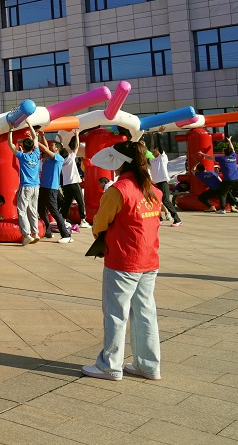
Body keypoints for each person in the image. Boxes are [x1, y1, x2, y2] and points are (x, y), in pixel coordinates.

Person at [82, 140, 162, 382]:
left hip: (123, 259)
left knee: (116, 314)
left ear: (120, 163)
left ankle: (110, 366)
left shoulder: (118, 190)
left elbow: (100, 223)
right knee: (145, 313)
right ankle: (148, 365)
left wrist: (99, 236)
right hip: (149, 259)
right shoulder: (153, 190)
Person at [7, 125, 42, 245]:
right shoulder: (36, 154)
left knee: (22, 210)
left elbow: (10, 144)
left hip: (26, 186)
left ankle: (26, 235)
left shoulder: (22, 156)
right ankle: (35, 233)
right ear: (33, 147)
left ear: (23, 146)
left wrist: (11, 130)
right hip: (36, 186)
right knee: (33, 210)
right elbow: (35, 138)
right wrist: (30, 124)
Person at [199, 136, 238, 213]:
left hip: (228, 179)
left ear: (225, 153)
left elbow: (210, 157)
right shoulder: (233, 156)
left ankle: (222, 209)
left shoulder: (222, 159)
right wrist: (229, 141)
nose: (222, 151)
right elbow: (232, 149)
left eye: (223, 151)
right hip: (237, 178)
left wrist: (202, 153)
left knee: (222, 194)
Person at [39, 137, 73, 243]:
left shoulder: (58, 158)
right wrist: (42, 136)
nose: (50, 146)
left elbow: (45, 149)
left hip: (51, 188)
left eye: (52, 145)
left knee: (54, 211)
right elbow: (46, 148)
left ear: (57, 149)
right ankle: (48, 231)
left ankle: (66, 235)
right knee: (41, 210)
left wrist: (36, 140)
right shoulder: (49, 157)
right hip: (44, 187)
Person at [148, 135, 182, 227]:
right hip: (155, 183)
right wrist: (151, 137)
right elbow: (151, 147)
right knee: (156, 201)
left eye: (155, 150)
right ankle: (159, 219)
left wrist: (159, 135)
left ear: (158, 151)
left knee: (166, 200)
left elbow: (161, 146)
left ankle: (177, 219)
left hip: (163, 182)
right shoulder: (152, 160)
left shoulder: (162, 158)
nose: (153, 150)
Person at [59, 129, 88, 227]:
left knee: (67, 203)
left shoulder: (61, 161)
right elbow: (77, 146)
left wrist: (61, 141)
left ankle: (63, 219)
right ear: (67, 153)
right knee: (80, 201)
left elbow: (60, 150)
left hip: (66, 184)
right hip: (74, 182)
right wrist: (77, 135)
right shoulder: (71, 157)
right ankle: (83, 220)